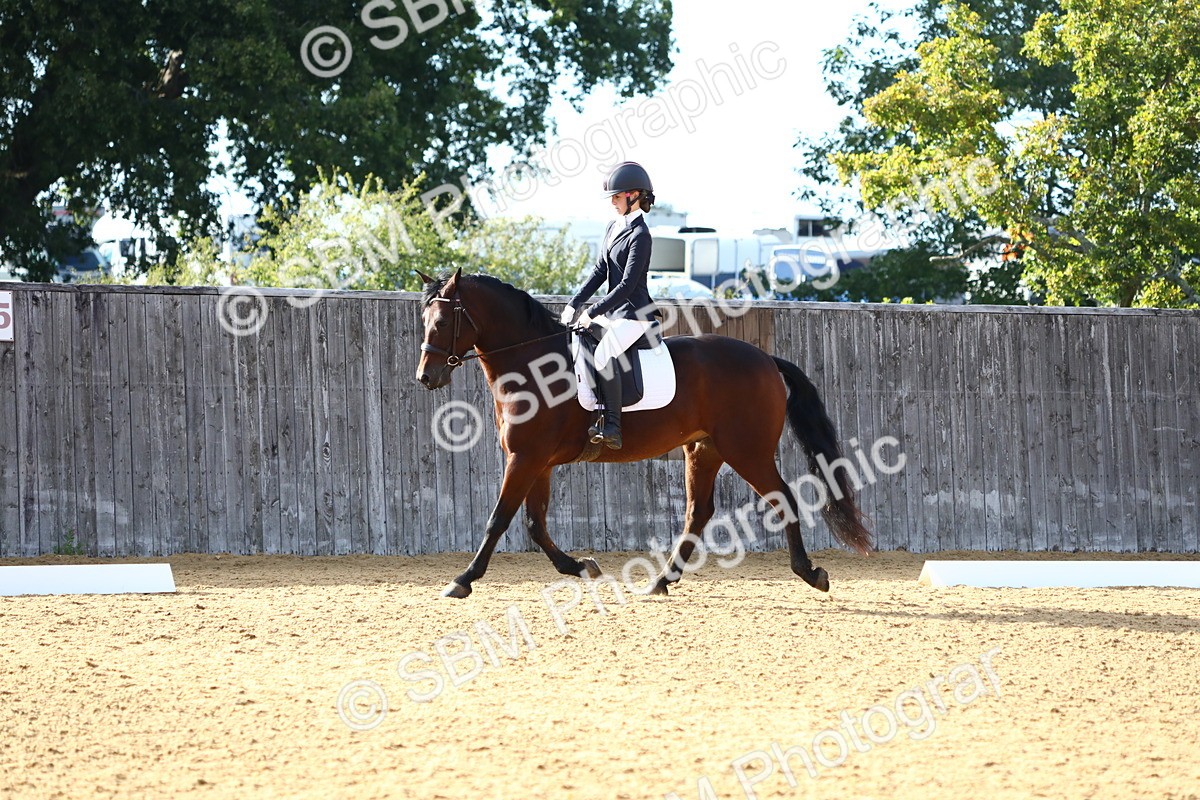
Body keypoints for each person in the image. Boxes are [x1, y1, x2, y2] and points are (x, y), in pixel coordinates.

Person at [560, 161, 661, 450]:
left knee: (604, 353)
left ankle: (613, 426)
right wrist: (575, 303)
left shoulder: (641, 235)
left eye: (616, 197)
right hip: (615, 313)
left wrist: (592, 311)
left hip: (634, 313)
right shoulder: (613, 227)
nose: (612, 202)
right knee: (579, 343)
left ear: (633, 196)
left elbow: (627, 285)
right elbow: (599, 271)